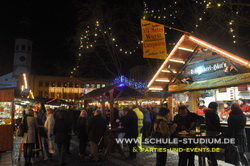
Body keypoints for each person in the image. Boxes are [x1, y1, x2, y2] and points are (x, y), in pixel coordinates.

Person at [204, 102, 222, 166]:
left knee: (210, 148)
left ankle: (210, 161)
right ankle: (213, 162)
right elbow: (216, 124)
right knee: (212, 148)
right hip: (214, 133)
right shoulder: (213, 114)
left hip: (209, 133)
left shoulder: (207, 113)